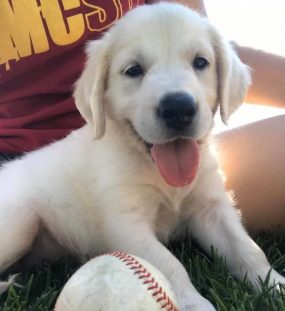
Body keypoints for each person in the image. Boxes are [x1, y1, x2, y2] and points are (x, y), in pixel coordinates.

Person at [0, 0, 284, 231]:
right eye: (134, 69)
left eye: (198, 63)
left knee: (208, 205)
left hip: (155, 146)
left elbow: (207, 45)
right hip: (19, 162)